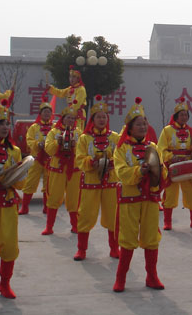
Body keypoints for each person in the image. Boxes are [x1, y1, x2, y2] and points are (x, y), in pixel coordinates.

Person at [112, 97, 167, 292]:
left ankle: (152, 276)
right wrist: (139, 171)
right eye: (139, 124)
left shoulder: (153, 147)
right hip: (130, 199)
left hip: (150, 198)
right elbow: (121, 172)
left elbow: (162, 170)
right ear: (130, 127)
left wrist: (159, 170)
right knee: (127, 239)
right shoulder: (121, 148)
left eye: (144, 123)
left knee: (151, 238)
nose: (143, 127)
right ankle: (120, 278)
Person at [73, 95, 120, 261]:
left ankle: (114, 248)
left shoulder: (115, 137)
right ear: (92, 119)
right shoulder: (85, 138)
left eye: (104, 117)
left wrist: (112, 162)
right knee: (85, 215)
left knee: (113, 214)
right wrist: (91, 162)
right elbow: (79, 158)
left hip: (111, 181)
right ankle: (81, 249)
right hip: (90, 181)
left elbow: (121, 156)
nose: (101, 119)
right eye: (98, 117)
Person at [0, 101, 24, 298]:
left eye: (6, 124)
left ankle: (5, 283)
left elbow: (21, 183)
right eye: (0, 124)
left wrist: (16, 178)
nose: (5, 127)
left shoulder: (15, 151)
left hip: (7, 201)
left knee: (10, 245)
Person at [158, 97, 192, 230]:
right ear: (176, 116)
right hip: (172, 166)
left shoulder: (190, 131)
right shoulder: (167, 130)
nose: (184, 117)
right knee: (170, 193)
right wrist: (171, 157)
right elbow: (161, 148)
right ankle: (167, 221)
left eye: (186, 115)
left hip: (187, 166)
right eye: (181, 115)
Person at [43, 103, 82, 235]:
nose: (70, 120)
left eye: (72, 118)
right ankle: (49, 226)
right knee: (54, 196)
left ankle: (75, 225)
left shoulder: (78, 133)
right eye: (68, 118)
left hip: (74, 169)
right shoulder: (54, 132)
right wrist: (57, 143)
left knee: (74, 198)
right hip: (57, 168)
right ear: (63, 118)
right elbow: (48, 149)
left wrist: (75, 146)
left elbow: (83, 150)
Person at [19, 97, 53, 215]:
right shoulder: (34, 127)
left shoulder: (54, 127)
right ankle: (24, 207)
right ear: (40, 113)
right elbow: (29, 140)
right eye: (45, 112)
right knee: (31, 182)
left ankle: (46, 207)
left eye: (49, 112)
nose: (47, 114)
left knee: (48, 183)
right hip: (36, 158)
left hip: (50, 159)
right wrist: (37, 144)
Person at [48, 65, 87, 130]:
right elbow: (60, 93)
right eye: (70, 77)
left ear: (78, 79)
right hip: (70, 113)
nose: (71, 79)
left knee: (77, 131)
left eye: (74, 77)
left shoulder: (81, 89)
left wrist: (66, 112)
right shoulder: (70, 89)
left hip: (78, 114)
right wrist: (50, 88)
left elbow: (77, 104)